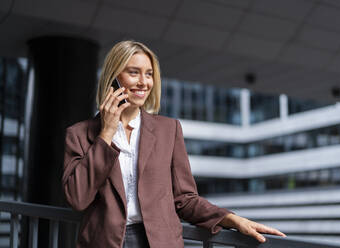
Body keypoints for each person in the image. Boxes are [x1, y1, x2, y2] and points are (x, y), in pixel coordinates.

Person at [62, 40, 285, 248]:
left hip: (159, 241)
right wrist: (107, 132)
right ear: (114, 78)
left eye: (149, 74)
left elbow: (185, 199)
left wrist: (231, 219)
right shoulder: (80, 134)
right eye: (133, 72)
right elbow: (77, 198)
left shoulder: (168, 130)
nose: (144, 82)